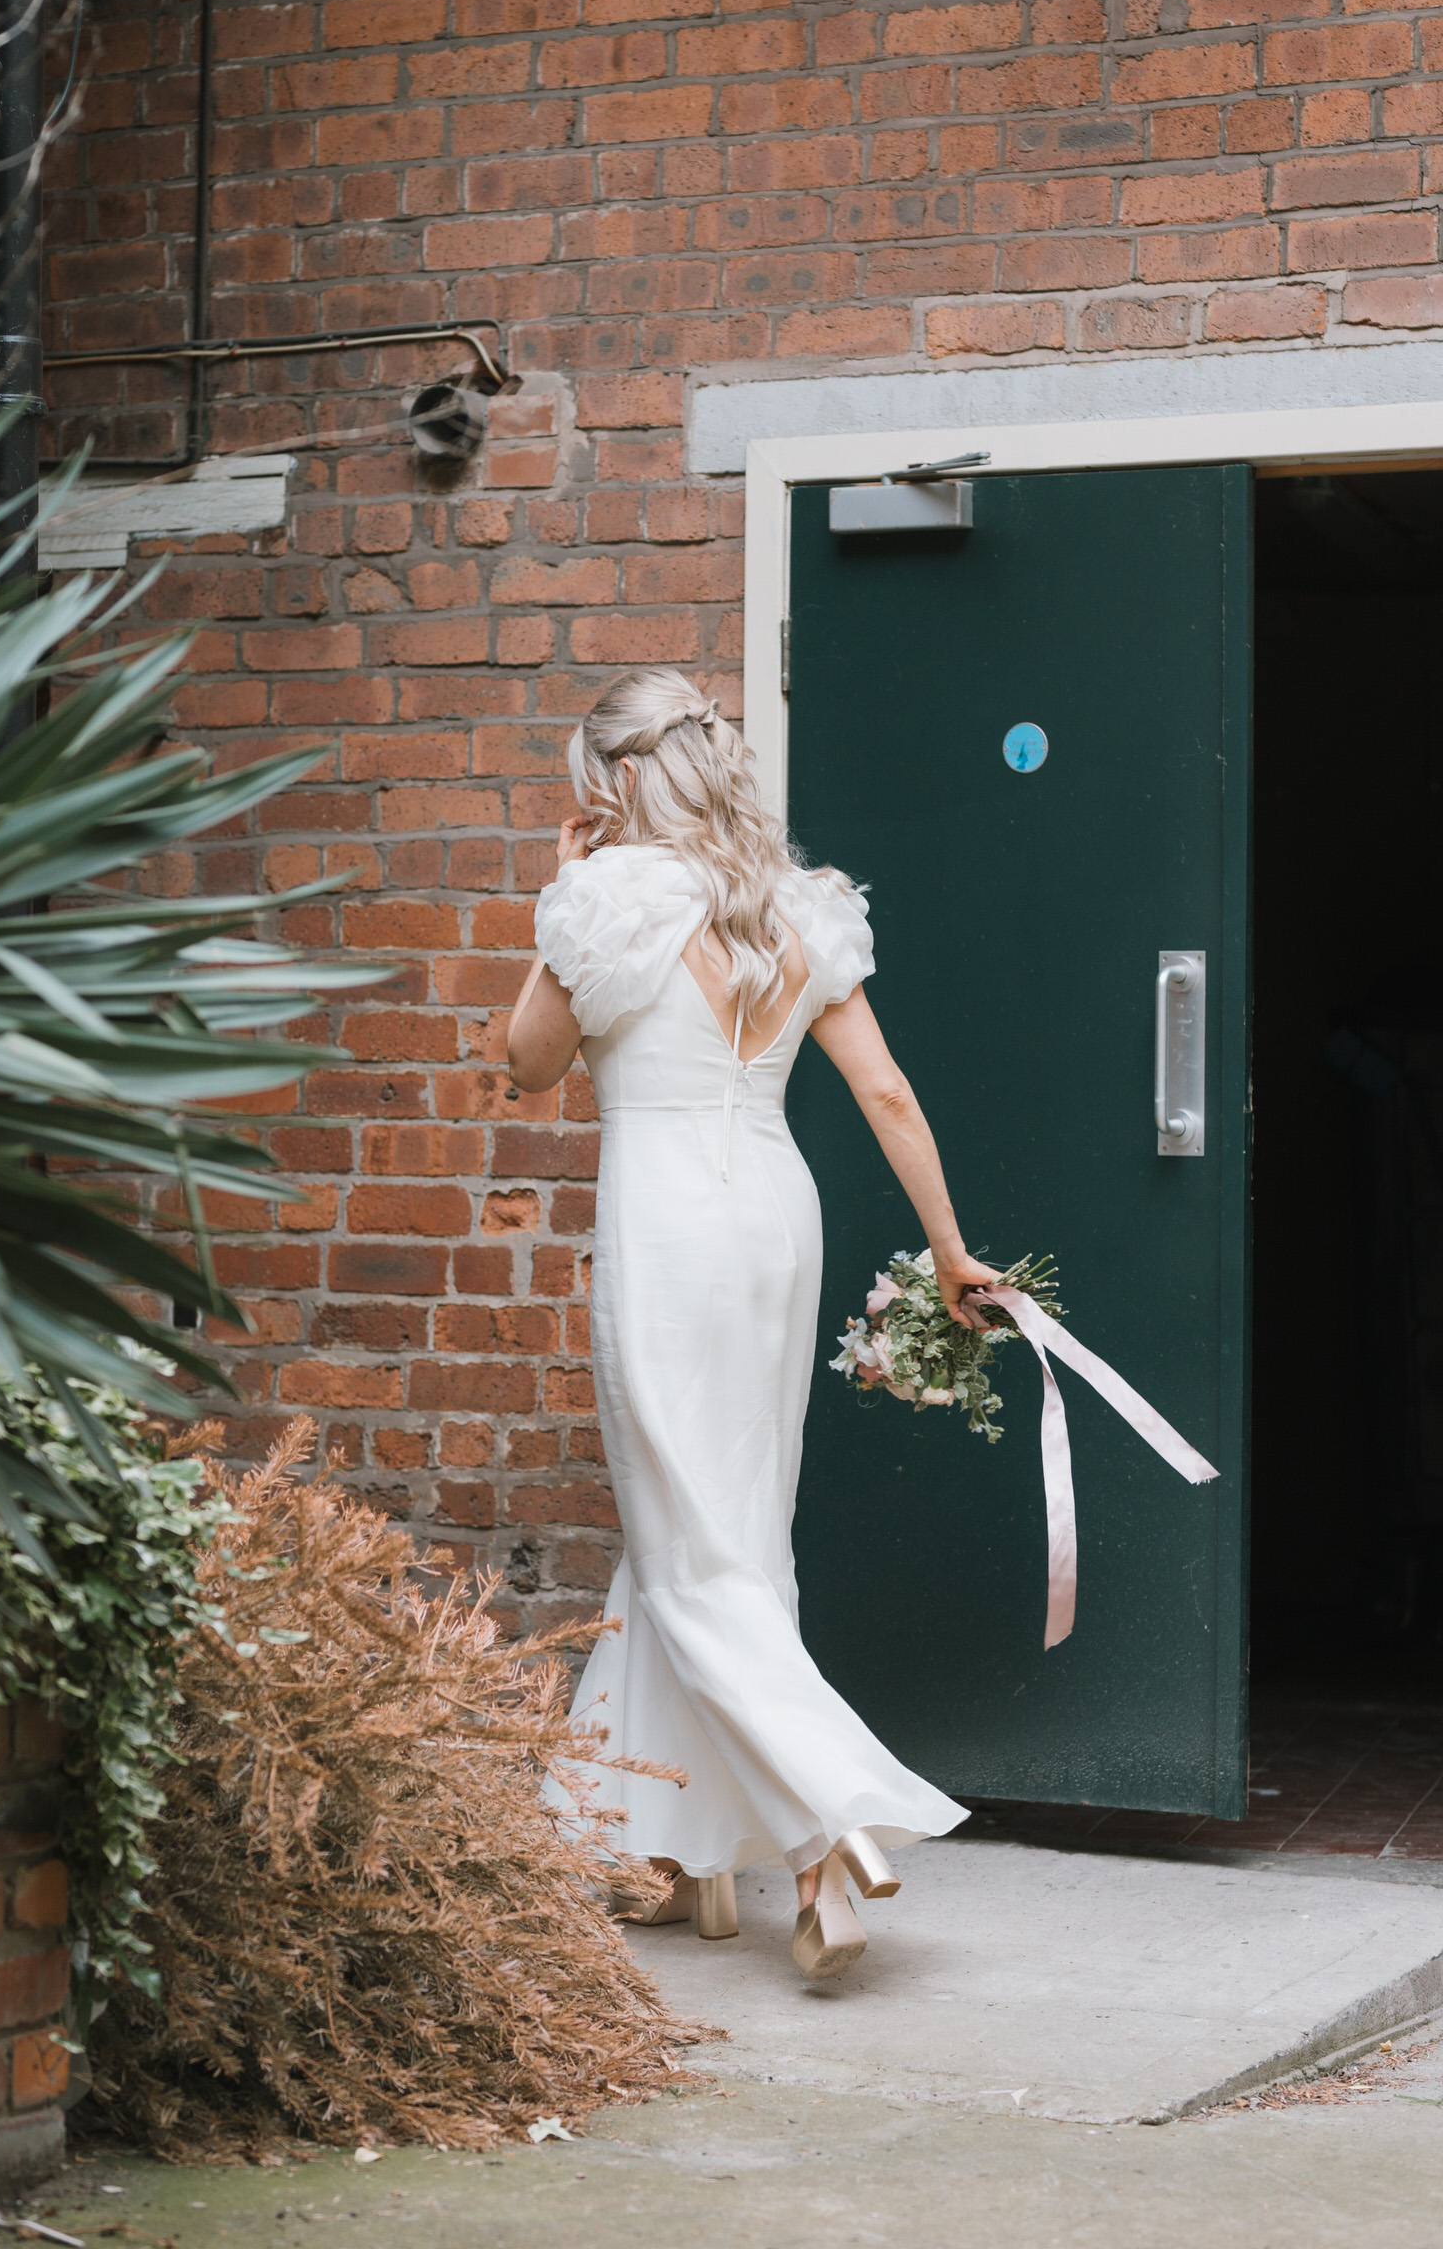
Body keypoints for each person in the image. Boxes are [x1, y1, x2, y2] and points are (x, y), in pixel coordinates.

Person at [506, 669, 993, 1980]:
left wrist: (557, 902)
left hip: (667, 1217)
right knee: (718, 1533)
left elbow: (528, 1061)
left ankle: (826, 1846)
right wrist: (950, 1253)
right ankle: (676, 1864)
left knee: (692, 1547)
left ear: (611, 782)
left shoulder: (604, 900)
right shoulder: (800, 908)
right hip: (777, 1220)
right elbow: (885, 1093)